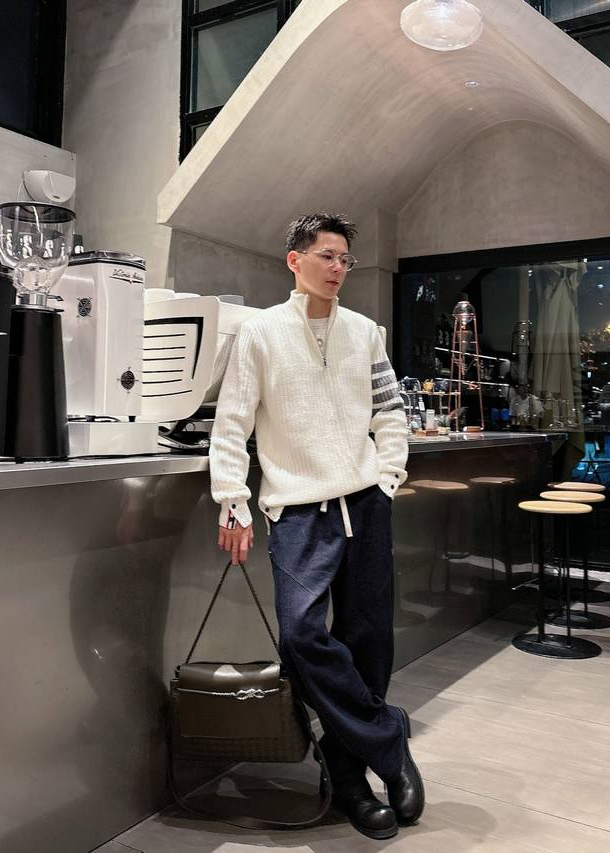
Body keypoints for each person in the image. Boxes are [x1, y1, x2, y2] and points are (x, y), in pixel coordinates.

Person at [209, 212, 424, 839]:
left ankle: (350, 781)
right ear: (295, 260)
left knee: (368, 640)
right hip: (297, 508)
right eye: (326, 256)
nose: (337, 268)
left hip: (365, 502)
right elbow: (232, 423)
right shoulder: (259, 332)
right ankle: (388, 740)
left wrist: (388, 477)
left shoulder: (365, 333)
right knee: (302, 635)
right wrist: (232, 500)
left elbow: (390, 411)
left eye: (344, 260)